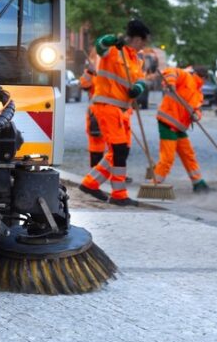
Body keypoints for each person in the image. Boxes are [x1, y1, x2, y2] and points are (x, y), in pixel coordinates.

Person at [78, 19, 150, 206]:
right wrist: (110, 39)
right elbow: (100, 45)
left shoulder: (136, 58)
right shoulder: (113, 51)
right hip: (107, 107)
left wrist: (139, 88)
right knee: (118, 150)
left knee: (121, 151)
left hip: (122, 110)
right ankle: (118, 194)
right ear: (136, 39)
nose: (144, 45)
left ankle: (92, 183)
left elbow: (140, 79)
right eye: (143, 41)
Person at [154, 64, 209, 192]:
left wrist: (196, 115)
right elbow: (171, 71)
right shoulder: (186, 76)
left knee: (188, 154)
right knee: (167, 158)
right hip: (167, 122)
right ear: (204, 77)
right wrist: (171, 83)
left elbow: (197, 109)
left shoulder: (198, 92)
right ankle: (155, 184)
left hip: (180, 127)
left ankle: (198, 182)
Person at [79, 51, 106, 168]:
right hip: (96, 112)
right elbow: (84, 84)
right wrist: (90, 71)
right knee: (96, 143)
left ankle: (113, 173)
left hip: (112, 111)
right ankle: (96, 170)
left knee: (116, 145)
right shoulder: (92, 73)